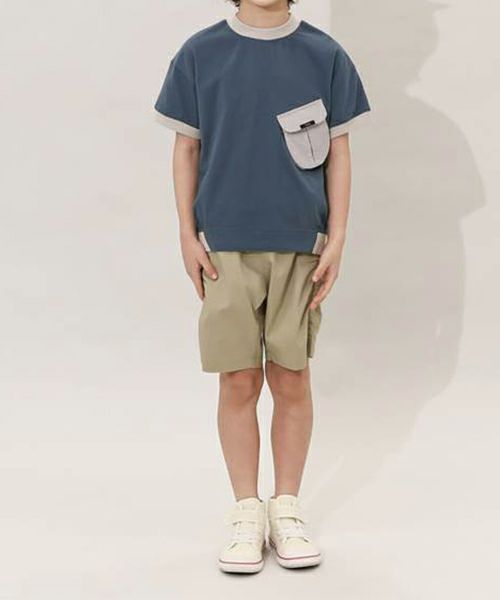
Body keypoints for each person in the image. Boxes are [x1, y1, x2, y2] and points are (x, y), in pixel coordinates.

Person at [154, 0, 370, 573]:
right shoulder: (201, 53)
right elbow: (186, 147)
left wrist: (338, 237)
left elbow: (339, 151)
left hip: (302, 243)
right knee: (238, 378)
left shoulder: (324, 55)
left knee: (292, 376)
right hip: (224, 244)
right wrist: (186, 234)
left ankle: (287, 508)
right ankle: (246, 512)